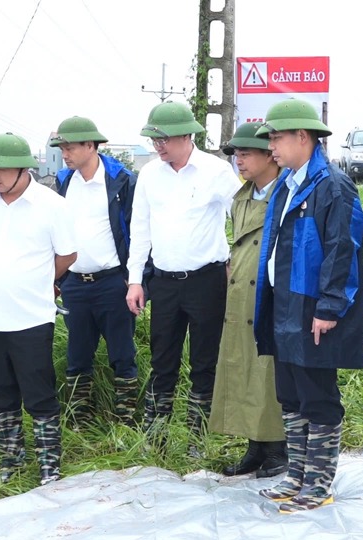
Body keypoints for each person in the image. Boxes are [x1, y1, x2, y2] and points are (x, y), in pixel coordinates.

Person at [252, 98, 363, 513]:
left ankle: (318, 484)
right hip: (282, 302)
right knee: (290, 393)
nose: (272, 148)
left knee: (318, 394)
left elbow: (343, 250)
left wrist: (329, 307)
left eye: (277, 138)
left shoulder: (333, 185)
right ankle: (296, 475)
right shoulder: (287, 183)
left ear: (304, 137)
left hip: (312, 306)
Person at [124, 101, 241, 456]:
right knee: (163, 359)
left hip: (207, 280)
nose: (159, 147)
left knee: (205, 360)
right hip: (164, 282)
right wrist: (134, 279)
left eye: (165, 140)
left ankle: (198, 438)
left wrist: (238, 260)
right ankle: (155, 438)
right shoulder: (149, 175)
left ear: (187, 136)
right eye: (154, 141)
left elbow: (244, 216)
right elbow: (139, 229)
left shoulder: (216, 171)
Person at [0, 132, 77, 486]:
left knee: (39, 393)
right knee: (0, 393)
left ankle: (48, 466)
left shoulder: (51, 205)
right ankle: (10, 460)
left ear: (21, 169)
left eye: (1, 169)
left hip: (30, 317)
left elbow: (68, 254)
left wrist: (38, 280)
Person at [50, 116, 140, 428]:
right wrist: (58, 278)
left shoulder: (121, 181)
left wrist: (135, 278)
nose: (65, 153)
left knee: (122, 353)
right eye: (61, 147)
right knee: (78, 354)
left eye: (70, 147)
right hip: (75, 283)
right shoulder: (63, 182)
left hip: (113, 282)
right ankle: (80, 421)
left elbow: (138, 231)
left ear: (91, 145)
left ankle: (126, 419)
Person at [210, 122, 287, 479]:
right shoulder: (243, 197)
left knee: (267, 372)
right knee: (242, 369)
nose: (238, 161)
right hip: (240, 294)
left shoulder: (285, 194)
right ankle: (254, 446)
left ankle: (277, 447)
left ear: (270, 154)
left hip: (269, 294)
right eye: (236, 155)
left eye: (245, 153)